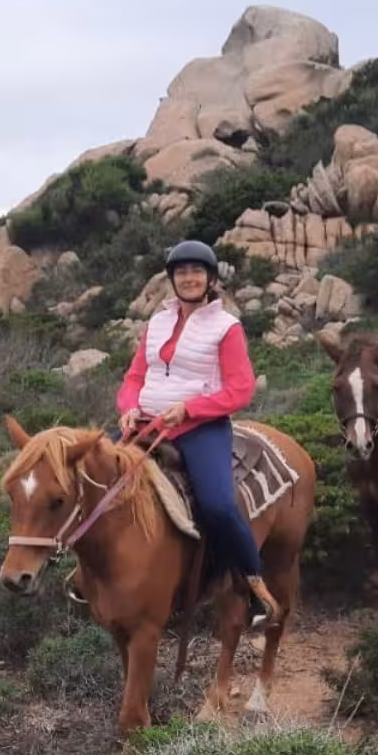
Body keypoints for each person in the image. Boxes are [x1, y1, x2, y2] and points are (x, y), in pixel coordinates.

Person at [114, 240, 280, 627]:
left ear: (209, 279)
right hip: (145, 424)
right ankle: (91, 576)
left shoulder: (227, 328)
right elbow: (135, 376)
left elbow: (240, 389)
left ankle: (256, 588)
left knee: (219, 505)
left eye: (196, 271)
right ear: (172, 278)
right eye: (181, 272)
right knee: (93, 483)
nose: (189, 278)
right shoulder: (156, 323)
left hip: (198, 429)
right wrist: (127, 409)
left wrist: (189, 408)